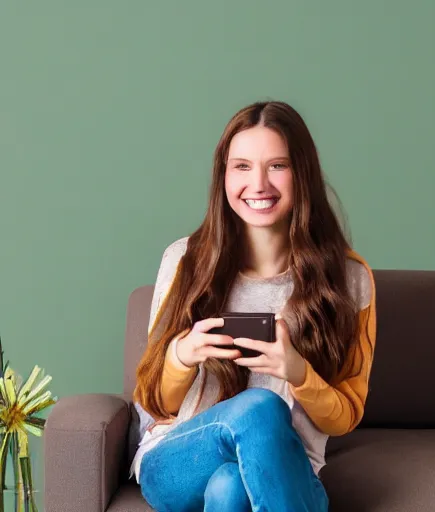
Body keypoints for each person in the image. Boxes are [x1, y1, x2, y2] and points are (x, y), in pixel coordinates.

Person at [131, 101, 377, 512]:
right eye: (241, 167)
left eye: (277, 166)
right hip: (178, 459)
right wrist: (182, 355)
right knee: (259, 407)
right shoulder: (185, 260)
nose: (258, 183)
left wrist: (297, 372)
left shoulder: (349, 279)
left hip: (284, 470)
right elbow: (153, 401)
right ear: (223, 177)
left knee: (229, 489)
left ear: (303, 175)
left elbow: (345, 415)